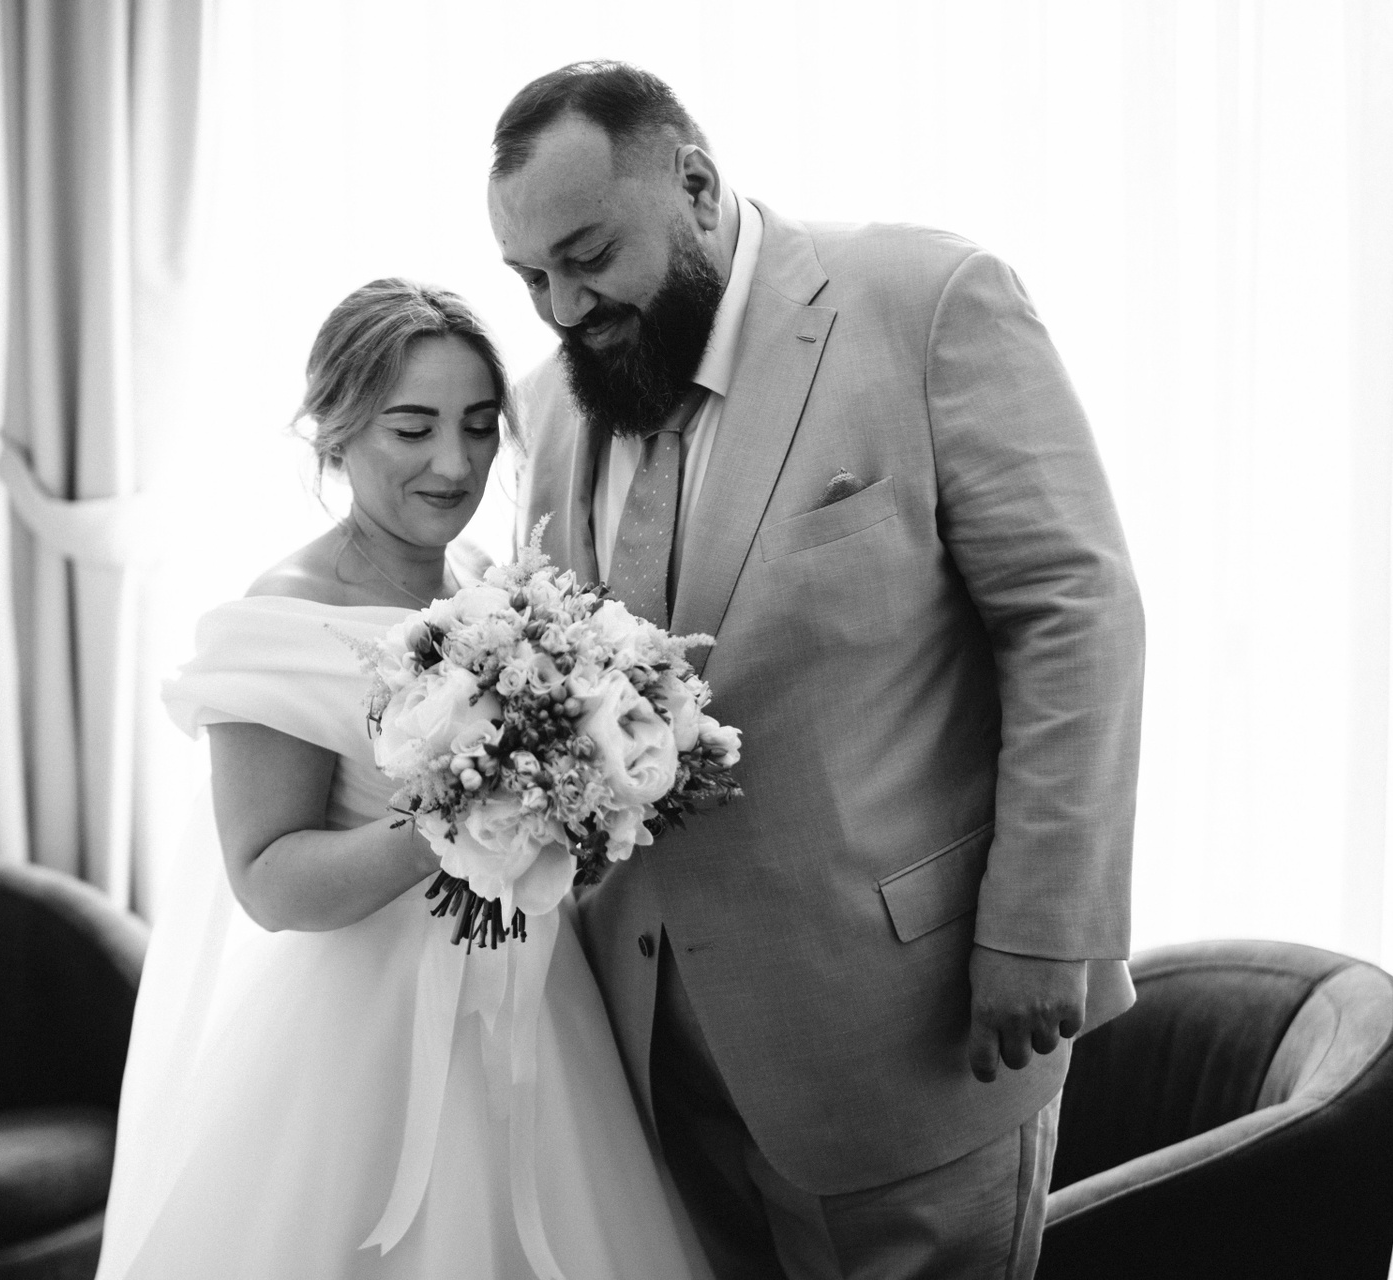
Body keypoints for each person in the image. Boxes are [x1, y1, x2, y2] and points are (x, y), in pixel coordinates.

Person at [490, 63, 1146, 1279]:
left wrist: (1045, 927)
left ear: (695, 185)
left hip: (907, 1025)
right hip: (648, 1059)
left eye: (589, 256)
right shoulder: (554, 405)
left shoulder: (926, 300)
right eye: (531, 279)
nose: (563, 308)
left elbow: (1072, 613)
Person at [95, 278, 710, 1280]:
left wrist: (587, 789)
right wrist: (460, 812)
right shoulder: (282, 617)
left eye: (478, 424)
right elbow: (267, 879)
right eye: (413, 428)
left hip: (538, 1006)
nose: (454, 463)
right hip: (361, 1043)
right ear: (335, 430)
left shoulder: (487, 580)